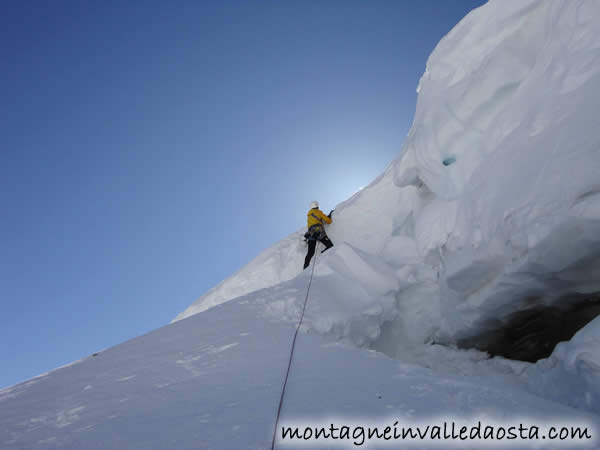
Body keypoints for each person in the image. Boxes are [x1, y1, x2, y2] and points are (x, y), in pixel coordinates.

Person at [303, 201, 334, 269]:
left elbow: (313, 223)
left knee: (310, 253)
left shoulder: (309, 216)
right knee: (330, 245)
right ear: (317, 206)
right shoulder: (319, 212)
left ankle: (305, 268)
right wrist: (329, 216)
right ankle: (323, 256)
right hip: (318, 231)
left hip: (310, 234)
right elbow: (329, 221)